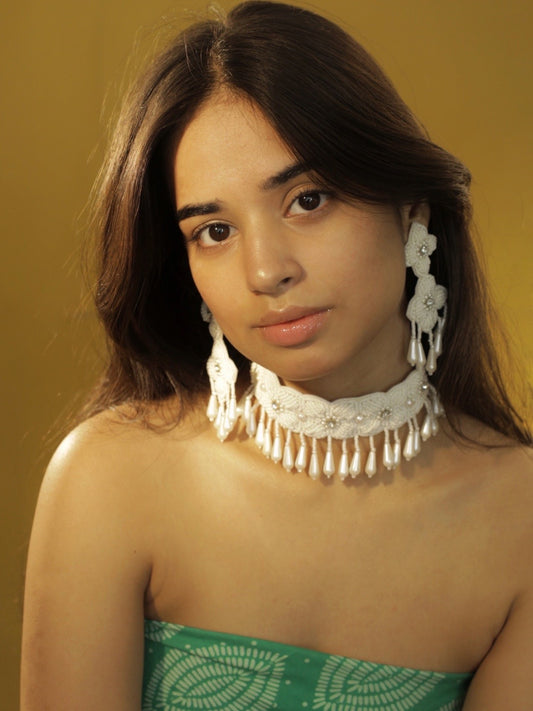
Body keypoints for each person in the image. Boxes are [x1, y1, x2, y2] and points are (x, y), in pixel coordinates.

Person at [21, 2, 533, 709]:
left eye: (307, 199)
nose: (265, 270)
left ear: (410, 208)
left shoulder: (519, 521)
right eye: (215, 230)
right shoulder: (111, 480)